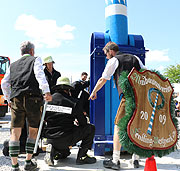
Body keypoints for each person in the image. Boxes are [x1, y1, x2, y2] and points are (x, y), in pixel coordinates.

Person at [89, 42, 146, 170]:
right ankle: (135, 158)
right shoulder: (135, 58)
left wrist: (94, 91)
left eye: (106, 54)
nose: (106, 57)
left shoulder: (114, 60)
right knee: (135, 125)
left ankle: (115, 160)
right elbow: (146, 74)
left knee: (118, 126)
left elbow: (103, 79)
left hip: (129, 96)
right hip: (140, 96)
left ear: (110, 51)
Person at [1, 41, 52, 171]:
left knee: (15, 131)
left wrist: (9, 99)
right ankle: (28, 162)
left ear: (21, 52)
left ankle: (14, 165)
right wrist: (46, 91)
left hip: (16, 99)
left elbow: (4, 84)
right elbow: (39, 75)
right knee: (33, 130)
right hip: (33, 98)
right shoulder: (36, 60)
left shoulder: (12, 65)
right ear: (31, 52)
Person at [43, 77, 96, 166]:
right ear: (68, 90)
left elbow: (43, 119)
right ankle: (82, 157)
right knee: (90, 128)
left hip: (50, 138)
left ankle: (53, 151)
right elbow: (83, 123)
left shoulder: (47, 101)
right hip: (66, 138)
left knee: (65, 154)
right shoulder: (73, 102)